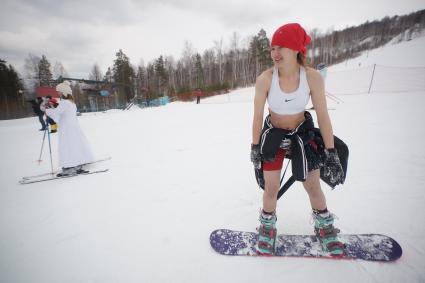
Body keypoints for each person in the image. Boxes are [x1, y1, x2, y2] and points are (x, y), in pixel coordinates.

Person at [250, 23, 347, 256]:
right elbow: (256, 117)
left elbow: (323, 117)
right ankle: (267, 228)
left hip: (302, 135)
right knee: (271, 188)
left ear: (295, 49)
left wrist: (331, 152)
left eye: (280, 47)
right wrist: (255, 148)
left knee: (312, 185)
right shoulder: (265, 79)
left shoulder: (312, 78)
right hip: (274, 136)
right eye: (272, 48)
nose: (275, 53)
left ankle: (325, 228)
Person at [44, 81, 94, 176]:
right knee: (73, 145)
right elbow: (61, 114)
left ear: (64, 92)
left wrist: (46, 110)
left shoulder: (65, 103)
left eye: (59, 91)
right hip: (73, 127)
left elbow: (56, 113)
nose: (58, 93)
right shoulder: (71, 103)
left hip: (67, 129)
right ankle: (76, 163)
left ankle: (69, 167)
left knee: (67, 146)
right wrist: (50, 110)